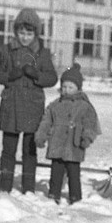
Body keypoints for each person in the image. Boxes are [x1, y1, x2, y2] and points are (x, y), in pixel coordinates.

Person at [0, 8, 58, 195]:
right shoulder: (7, 50)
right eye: (21, 33)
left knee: (30, 150)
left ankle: (28, 187)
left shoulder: (42, 53)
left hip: (32, 107)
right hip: (11, 105)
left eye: (29, 33)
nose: (25, 37)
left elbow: (52, 78)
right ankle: (5, 186)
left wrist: (37, 75)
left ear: (36, 33)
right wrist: (9, 76)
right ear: (15, 32)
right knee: (8, 149)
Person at [35, 63, 100, 205]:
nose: (66, 90)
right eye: (64, 87)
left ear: (78, 88)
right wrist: (41, 136)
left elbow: (90, 124)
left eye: (70, 87)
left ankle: (75, 197)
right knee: (56, 172)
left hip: (74, 145)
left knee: (73, 174)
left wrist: (87, 138)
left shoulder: (84, 106)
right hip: (57, 144)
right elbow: (46, 121)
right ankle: (54, 194)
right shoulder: (54, 105)